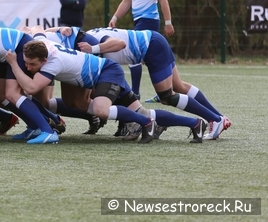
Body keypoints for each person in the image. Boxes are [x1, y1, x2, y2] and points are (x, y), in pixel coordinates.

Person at [5, 40, 208, 144]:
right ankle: (195, 123)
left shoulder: (53, 62)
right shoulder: (43, 46)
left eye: (32, 65)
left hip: (107, 72)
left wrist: (14, 64)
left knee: (106, 110)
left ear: (44, 61)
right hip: (90, 77)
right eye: (26, 63)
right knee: (75, 102)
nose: (28, 67)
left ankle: (147, 123)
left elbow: (31, 87)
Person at [80, 27, 231, 140]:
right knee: (179, 86)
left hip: (152, 47)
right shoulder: (88, 34)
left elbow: (119, 44)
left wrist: (93, 49)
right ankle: (219, 117)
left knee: (166, 96)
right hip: (153, 41)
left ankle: (215, 119)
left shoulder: (91, 41)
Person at [109, 0, 174, 99]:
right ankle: (166, 89)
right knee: (154, 56)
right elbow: (126, 2)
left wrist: (168, 22)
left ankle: (135, 93)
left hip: (149, 21)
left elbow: (163, 0)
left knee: (133, 53)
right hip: (139, 21)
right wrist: (115, 18)